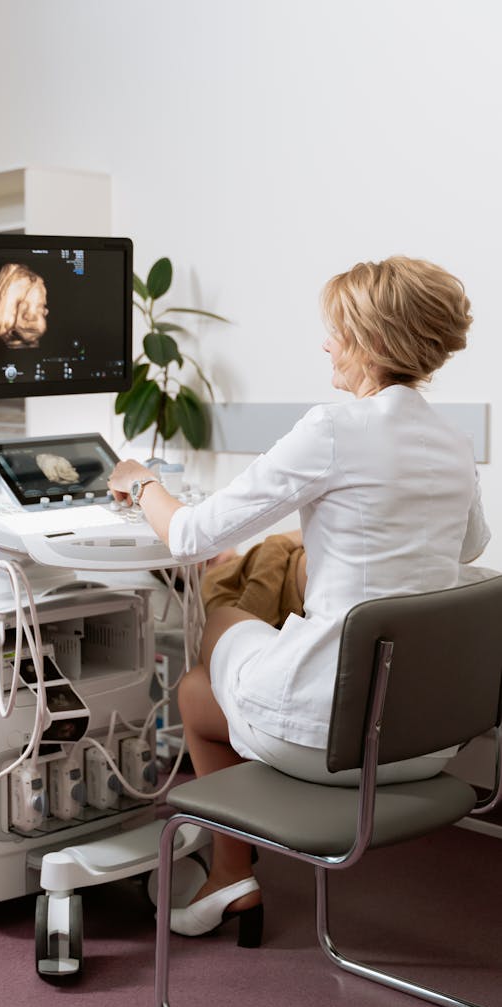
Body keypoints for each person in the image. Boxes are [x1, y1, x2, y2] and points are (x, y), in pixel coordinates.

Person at [108, 256, 489, 943]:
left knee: (214, 636)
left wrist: (140, 485)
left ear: (370, 344)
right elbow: (464, 549)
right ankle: (235, 869)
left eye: (337, 333)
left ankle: (233, 870)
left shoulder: (335, 428)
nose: (327, 346)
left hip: (330, 738)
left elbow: (190, 534)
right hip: (427, 742)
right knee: (227, 662)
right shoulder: (453, 442)